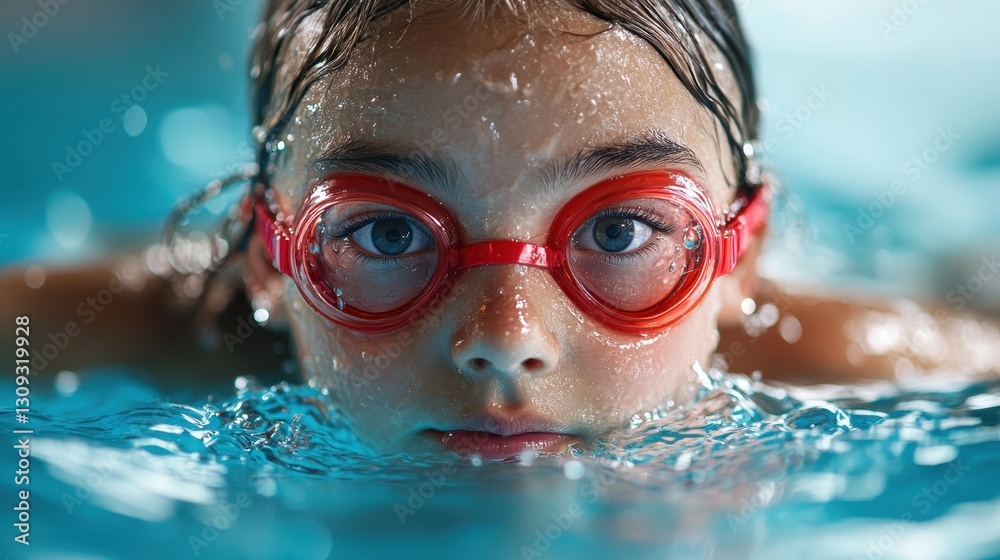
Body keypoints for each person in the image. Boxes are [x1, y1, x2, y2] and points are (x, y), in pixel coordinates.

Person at [4, 0, 997, 459]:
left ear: (744, 254)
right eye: (388, 235)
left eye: (618, 229)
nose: (503, 338)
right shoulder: (151, 332)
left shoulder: (868, 361)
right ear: (271, 253)